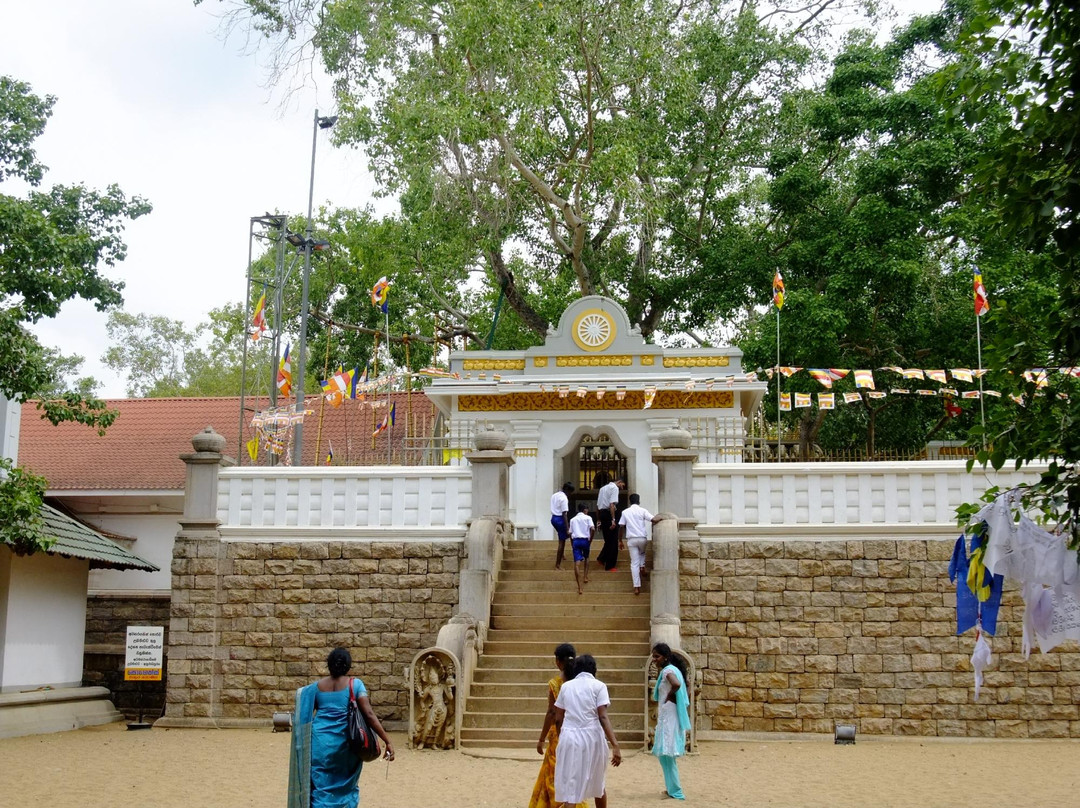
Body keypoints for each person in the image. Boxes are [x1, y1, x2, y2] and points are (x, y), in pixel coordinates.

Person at [288, 647, 395, 808]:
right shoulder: (355, 684)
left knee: (321, 786)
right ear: (348, 665)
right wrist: (387, 740)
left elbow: (305, 715)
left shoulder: (316, 688)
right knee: (346, 786)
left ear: (329, 665)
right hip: (346, 745)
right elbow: (369, 714)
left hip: (320, 744)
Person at [554, 654, 622, 808]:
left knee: (571, 788)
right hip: (593, 738)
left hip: (569, 737)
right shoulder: (599, 686)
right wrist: (615, 745)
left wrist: (562, 737)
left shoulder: (566, 687)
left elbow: (558, 718)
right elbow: (603, 717)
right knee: (599, 783)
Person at [529, 644, 586, 808]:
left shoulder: (555, 683)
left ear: (557, 661)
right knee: (573, 772)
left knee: (555, 771)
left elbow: (551, 713)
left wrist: (541, 739)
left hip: (559, 733)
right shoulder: (581, 682)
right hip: (579, 730)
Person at [650, 643, 691, 801]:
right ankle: (672, 789)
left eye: (657, 656)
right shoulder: (673, 670)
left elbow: (676, 684)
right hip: (668, 714)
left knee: (668, 753)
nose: (654, 660)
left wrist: (669, 697)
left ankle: (676, 791)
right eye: (653, 656)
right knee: (664, 755)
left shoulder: (668, 671)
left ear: (665, 657)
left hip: (669, 715)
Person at [618, 493, 663, 595]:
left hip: (631, 539)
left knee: (634, 563)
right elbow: (653, 519)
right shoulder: (642, 511)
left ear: (630, 501)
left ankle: (637, 587)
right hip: (642, 538)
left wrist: (620, 540)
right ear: (639, 501)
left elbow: (621, 527)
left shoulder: (625, 512)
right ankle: (642, 566)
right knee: (642, 553)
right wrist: (662, 518)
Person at [595, 476, 625, 571]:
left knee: (608, 539)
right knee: (613, 541)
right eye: (622, 485)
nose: (622, 488)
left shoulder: (602, 488)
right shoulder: (614, 488)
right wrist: (613, 519)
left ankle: (602, 558)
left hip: (602, 514)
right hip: (609, 514)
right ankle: (610, 565)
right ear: (619, 482)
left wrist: (598, 519)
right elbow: (612, 505)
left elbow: (598, 506)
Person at [569, 503, 595, 595]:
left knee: (577, 563)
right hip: (585, 541)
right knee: (587, 557)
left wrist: (572, 543)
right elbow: (593, 529)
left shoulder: (572, 519)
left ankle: (579, 587)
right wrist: (590, 539)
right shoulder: (588, 518)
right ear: (585, 510)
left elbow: (570, 533)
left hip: (576, 541)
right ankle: (585, 576)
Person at [551, 482, 575, 569]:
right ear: (567, 490)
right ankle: (558, 564)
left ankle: (562, 555)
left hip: (553, 518)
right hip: (560, 519)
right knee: (562, 541)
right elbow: (564, 513)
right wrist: (567, 527)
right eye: (570, 492)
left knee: (562, 537)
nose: (570, 495)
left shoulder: (555, 495)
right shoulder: (564, 498)